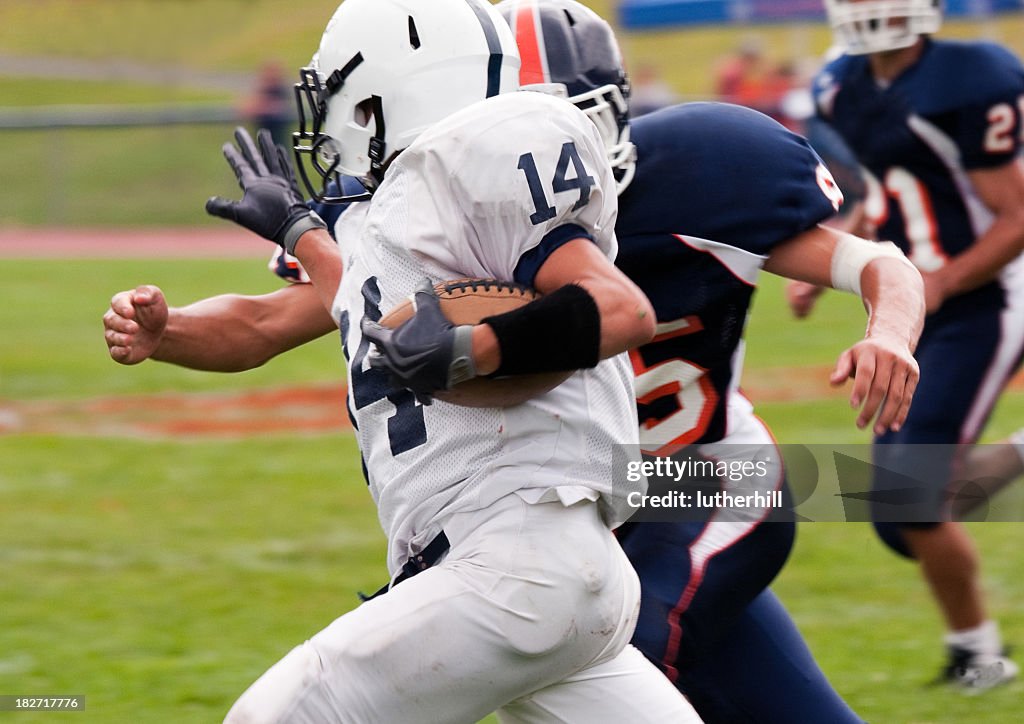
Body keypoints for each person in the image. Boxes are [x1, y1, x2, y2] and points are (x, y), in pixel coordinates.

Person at [104, 1, 922, 719]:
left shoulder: (691, 168)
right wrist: (168, 329)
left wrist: (887, 332)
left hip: (698, 471)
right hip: (569, 493)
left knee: (596, 641)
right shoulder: (437, 202)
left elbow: (882, 264)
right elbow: (281, 317)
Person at [168, 0, 702, 722]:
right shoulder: (396, 208)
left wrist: (472, 349)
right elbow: (372, 312)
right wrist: (301, 231)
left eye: (342, 100)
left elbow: (619, 309)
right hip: (554, 572)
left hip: (516, 560)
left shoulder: (484, 151)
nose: (331, 123)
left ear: (389, 87)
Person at [792, 0, 1024, 689]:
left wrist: (944, 283)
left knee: (909, 500)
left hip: (986, 297)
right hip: (921, 299)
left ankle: (978, 655)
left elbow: (1016, 217)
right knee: (901, 512)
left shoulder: (972, 75)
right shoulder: (840, 84)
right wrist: (846, 256)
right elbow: (890, 188)